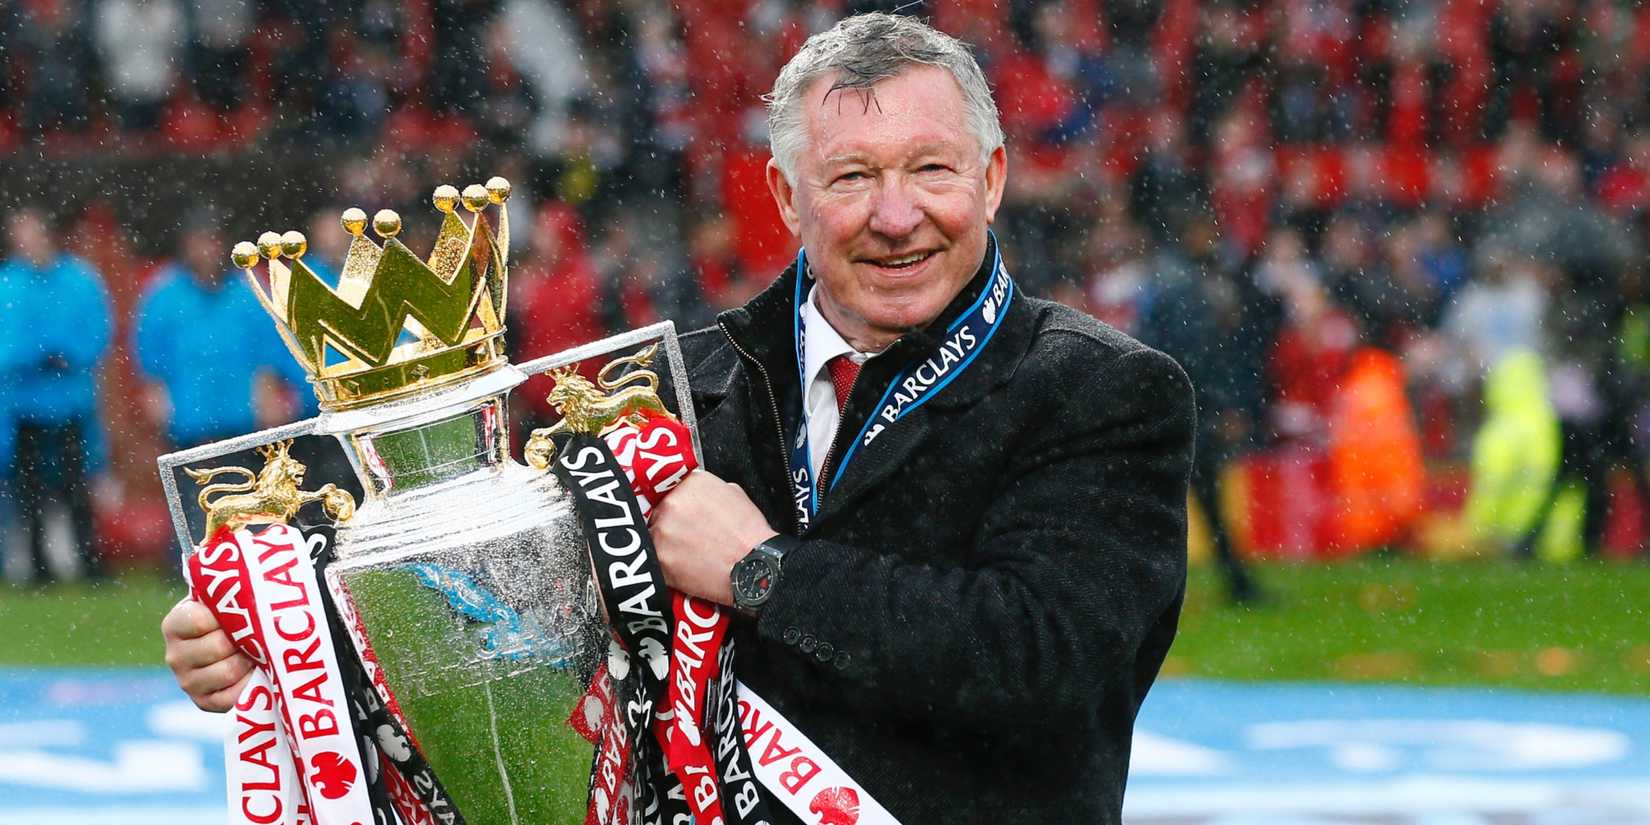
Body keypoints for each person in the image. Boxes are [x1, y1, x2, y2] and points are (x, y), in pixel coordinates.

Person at [161, 13, 1194, 822]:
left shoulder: (1103, 391)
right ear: (787, 197)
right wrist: (292, 650)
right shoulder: (676, 383)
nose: (895, 213)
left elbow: (1049, 667)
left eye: (931, 169)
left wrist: (765, 575)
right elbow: (527, 624)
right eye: (852, 178)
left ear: (993, 177)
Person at [0, 207, 111, 583]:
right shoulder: (10, 281)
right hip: (25, 408)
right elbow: (7, 342)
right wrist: (38, 354)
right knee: (27, 492)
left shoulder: (81, 280)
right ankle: (36, 566)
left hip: (71, 405)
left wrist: (69, 353)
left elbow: (98, 332)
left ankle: (88, 561)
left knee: (76, 488)